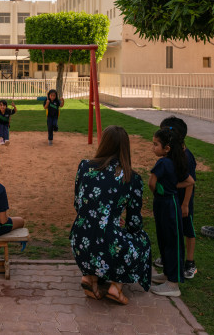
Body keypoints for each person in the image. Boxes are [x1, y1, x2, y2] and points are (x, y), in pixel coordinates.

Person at [70, 125, 152, 305]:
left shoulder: (84, 167)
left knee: (99, 235)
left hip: (79, 238)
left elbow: (78, 204)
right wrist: (115, 222)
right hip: (108, 241)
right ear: (125, 147)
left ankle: (89, 277)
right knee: (141, 241)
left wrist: (103, 217)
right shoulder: (132, 178)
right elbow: (134, 222)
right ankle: (116, 286)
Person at [148, 128, 195, 297]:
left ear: (167, 148)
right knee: (165, 239)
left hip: (166, 204)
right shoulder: (176, 161)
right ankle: (168, 274)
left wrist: (160, 191)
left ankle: (173, 284)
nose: (153, 147)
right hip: (168, 203)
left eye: (155, 144)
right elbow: (190, 181)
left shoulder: (163, 163)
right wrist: (172, 187)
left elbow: (151, 183)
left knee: (172, 241)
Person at [156, 117, 198, 280]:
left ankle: (190, 263)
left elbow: (190, 183)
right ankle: (171, 259)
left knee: (187, 230)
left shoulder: (187, 157)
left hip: (183, 201)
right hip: (171, 200)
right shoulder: (171, 155)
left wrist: (186, 204)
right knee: (172, 230)